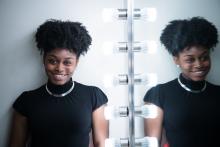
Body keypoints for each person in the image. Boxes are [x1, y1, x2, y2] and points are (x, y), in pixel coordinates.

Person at [8, 19, 108, 147]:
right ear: (43, 60)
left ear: (76, 63)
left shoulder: (93, 96)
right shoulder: (26, 101)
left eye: (67, 62)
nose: (59, 68)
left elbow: (101, 143)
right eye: (53, 61)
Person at [143, 16, 220, 147]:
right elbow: (151, 143)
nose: (199, 65)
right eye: (190, 59)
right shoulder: (159, 94)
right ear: (176, 59)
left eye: (204, 57)